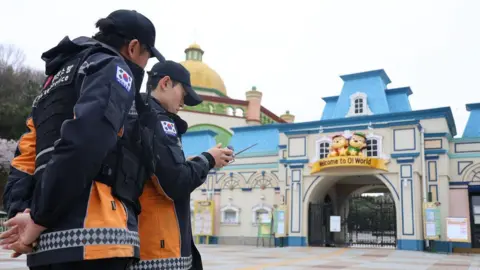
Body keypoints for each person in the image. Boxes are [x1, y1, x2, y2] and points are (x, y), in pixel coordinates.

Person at [0, 9, 165, 270]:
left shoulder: (51, 84)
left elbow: (24, 158)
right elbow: (86, 142)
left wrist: (22, 214)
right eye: (147, 55)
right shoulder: (112, 66)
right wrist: (39, 218)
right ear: (133, 47)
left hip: (45, 246)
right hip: (96, 241)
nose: (145, 64)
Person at [129, 61, 234, 270]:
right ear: (166, 83)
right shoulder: (158, 120)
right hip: (159, 250)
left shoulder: (136, 114)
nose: (183, 103)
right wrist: (208, 159)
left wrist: (190, 162)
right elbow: (175, 181)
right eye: (184, 95)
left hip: (143, 243)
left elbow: (154, 170)